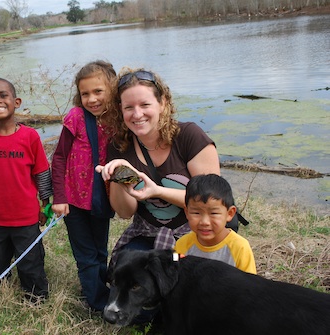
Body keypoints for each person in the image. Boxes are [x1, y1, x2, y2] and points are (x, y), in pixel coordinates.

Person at [96, 68, 221, 276]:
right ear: (120, 109)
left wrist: (157, 191)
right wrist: (118, 176)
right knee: (128, 274)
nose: (137, 114)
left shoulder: (189, 136)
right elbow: (126, 213)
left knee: (179, 271)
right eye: (129, 107)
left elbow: (212, 203)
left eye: (145, 105)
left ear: (162, 103)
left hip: (196, 233)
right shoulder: (119, 147)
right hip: (147, 234)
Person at [0, 77, 52, 303]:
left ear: (16, 101)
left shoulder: (30, 136)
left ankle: (36, 295)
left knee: (30, 261)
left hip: (26, 217)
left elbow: (41, 172)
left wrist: (45, 204)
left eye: (3, 95)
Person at [51, 60, 117, 312]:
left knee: (100, 249)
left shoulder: (118, 121)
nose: (91, 99)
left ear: (112, 88)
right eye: (85, 93)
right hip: (73, 200)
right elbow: (58, 158)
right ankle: (98, 303)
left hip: (102, 199)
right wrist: (59, 196)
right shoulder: (76, 117)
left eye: (98, 91)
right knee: (86, 254)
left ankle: (98, 287)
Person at [175, 174, 256, 274]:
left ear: (230, 213)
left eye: (213, 213)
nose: (204, 222)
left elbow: (249, 285)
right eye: (196, 213)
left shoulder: (240, 248)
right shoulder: (182, 244)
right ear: (187, 212)